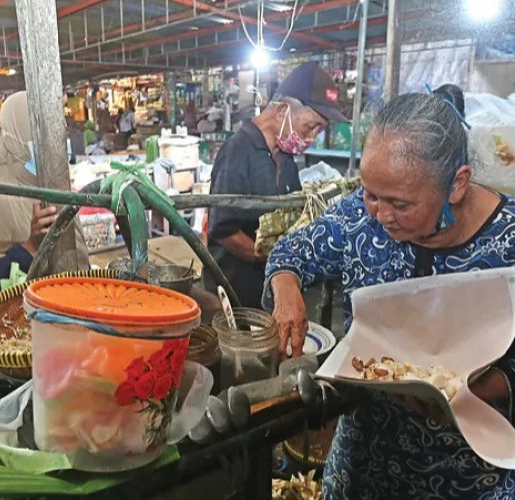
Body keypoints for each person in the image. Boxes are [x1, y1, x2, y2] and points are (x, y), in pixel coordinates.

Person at [263, 90, 515, 498]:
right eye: (370, 193)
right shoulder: (358, 216)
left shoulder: (508, 244)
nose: (379, 215)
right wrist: (287, 288)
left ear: (457, 184)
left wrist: (473, 393)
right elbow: (292, 252)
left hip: (467, 480)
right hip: (361, 467)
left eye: (399, 203)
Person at [204, 61, 347, 308]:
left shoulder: (287, 159)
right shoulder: (237, 152)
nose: (312, 138)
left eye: (319, 130)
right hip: (235, 294)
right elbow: (223, 230)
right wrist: (275, 260)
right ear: (282, 111)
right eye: (310, 126)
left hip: (269, 289)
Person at [0, 92, 90, 305]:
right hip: (17, 327)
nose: (54, 144)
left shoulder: (54, 187)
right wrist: (29, 250)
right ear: (17, 136)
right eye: (41, 135)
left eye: (57, 133)